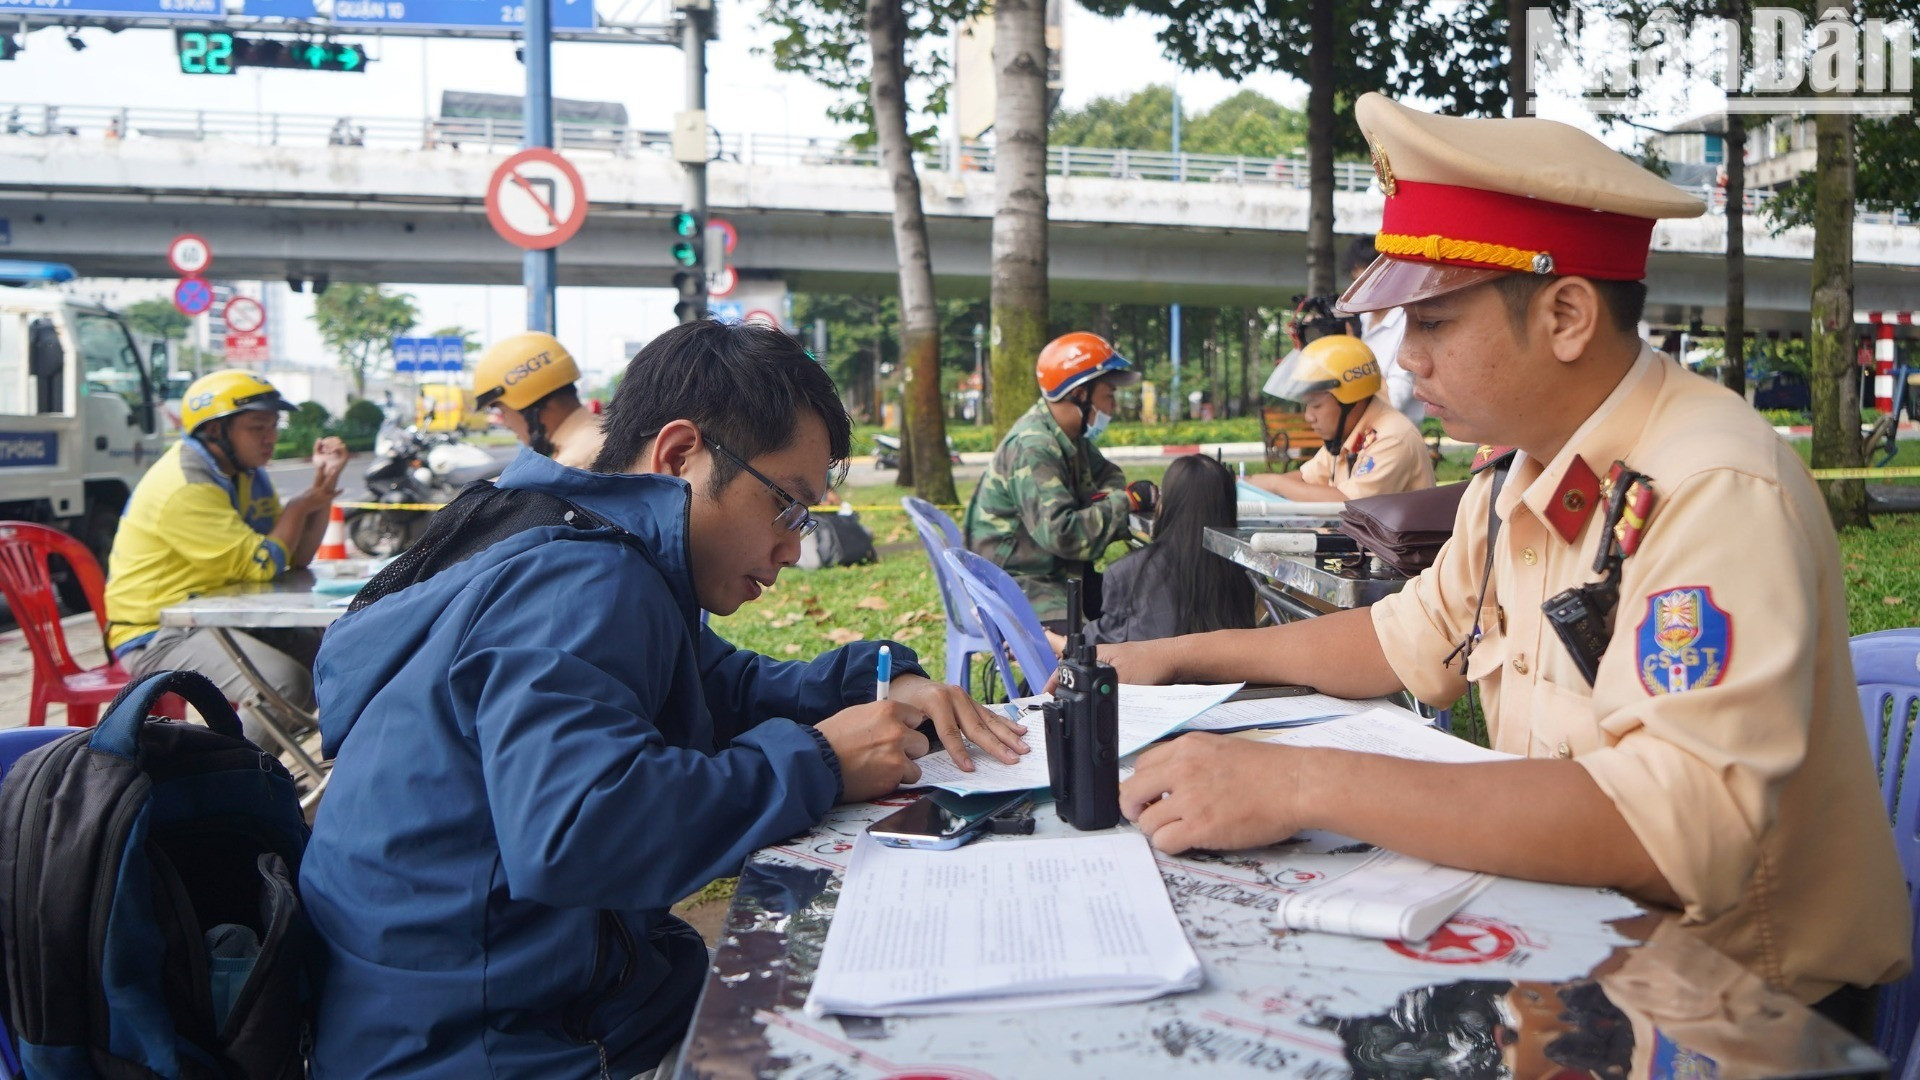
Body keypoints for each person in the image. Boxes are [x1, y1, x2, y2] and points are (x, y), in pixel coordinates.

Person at [1100, 93, 1910, 1019]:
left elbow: (1670, 829)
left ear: (1565, 315)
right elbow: (1397, 640)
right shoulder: (1520, 477)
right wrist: (1176, 655)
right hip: (1575, 959)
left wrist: (1299, 782)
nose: (1409, 365)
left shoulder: (1710, 487)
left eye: (1435, 323)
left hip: (1736, 1011)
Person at [299, 321, 1030, 1078]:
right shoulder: (582, 581)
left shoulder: (575, 540)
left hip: (477, 1004)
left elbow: (726, 686)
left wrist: (879, 680)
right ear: (681, 455)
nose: (792, 548)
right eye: (787, 507)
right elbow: (580, 828)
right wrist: (820, 760)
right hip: (483, 1044)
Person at [105, 371, 347, 743]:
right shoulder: (186, 486)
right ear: (215, 430)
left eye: (273, 425)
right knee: (283, 682)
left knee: (335, 661)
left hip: (221, 618)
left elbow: (293, 558)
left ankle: (266, 776)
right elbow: (265, 564)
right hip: (155, 632)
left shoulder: (245, 473)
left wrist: (323, 488)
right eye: (256, 427)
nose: (270, 437)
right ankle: (232, 789)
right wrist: (300, 506)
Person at [963, 331, 1151, 629]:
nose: (1112, 408)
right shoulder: (1035, 446)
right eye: (1109, 395)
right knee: (1083, 656)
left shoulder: (1068, 436)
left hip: (1052, 570)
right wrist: (1125, 502)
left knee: (1136, 609)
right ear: (1080, 394)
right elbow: (1063, 534)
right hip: (1018, 582)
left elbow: (1110, 474)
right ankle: (1041, 677)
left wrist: (1105, 500)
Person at [1081, 454, 1255, 645]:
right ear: (1228, 508)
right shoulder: (1245, 574)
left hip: (1151, 673)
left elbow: (1100, 649)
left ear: (1164, 506)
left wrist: (1056, 641)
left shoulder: (1126, 573)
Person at [1246, 333, 1436, 503]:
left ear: (1352, 401)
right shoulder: (1347, 435)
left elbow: (1349, 504)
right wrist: (1246, 484)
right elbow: (1306, 478)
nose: (1308, 416)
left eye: (1316, 405)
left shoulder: (1392, 438)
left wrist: (1275, 483)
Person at [473, 330, 602, 468]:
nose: (505, 423)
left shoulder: (571, 466)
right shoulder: (602, 433)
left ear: (531, 403)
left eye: (501, 410)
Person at [1345, 233, 1422, 425]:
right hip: (1356, 431)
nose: (1361, 287)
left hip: (1394, 432)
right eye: (1357, 278)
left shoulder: (1407, 321)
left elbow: (1396, 400)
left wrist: (1353, 354)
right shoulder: (1358, 321)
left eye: (1370, 278)